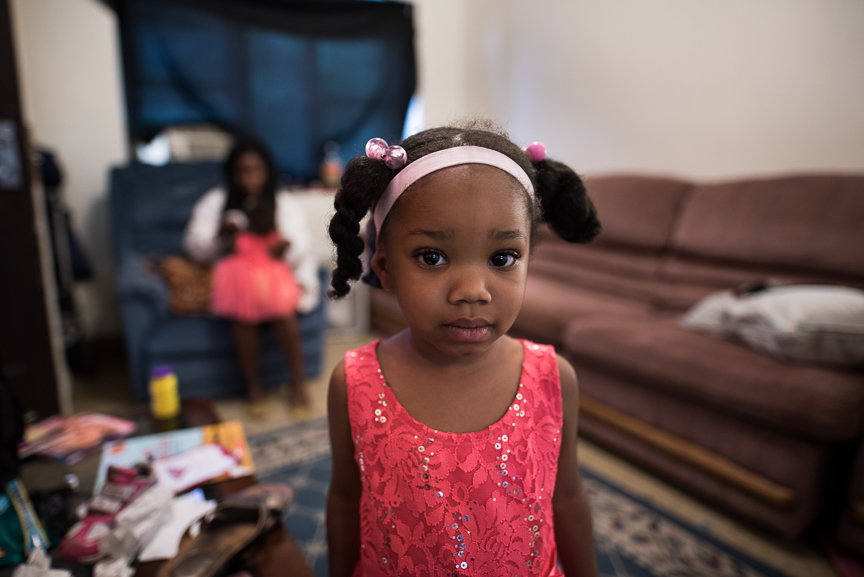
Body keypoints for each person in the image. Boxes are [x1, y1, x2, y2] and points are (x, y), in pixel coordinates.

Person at [326, 122, 601, 577]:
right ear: (386, 267)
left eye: (502, 258)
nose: (472, 291)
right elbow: (344, 499)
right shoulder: (354, 382)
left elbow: (567, 498)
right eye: (431, 256)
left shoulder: (553, 379)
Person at [183, 138, 319, 415]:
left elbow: (300, 245)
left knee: (284, 312)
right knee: (243, 319)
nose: (249, 179)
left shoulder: (283, 202)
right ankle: (253, 388)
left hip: (273, 276)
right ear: (232, 174)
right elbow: (195, 248)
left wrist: (285, 248)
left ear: (267, 170)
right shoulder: (216, 201)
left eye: (256, 170)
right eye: (242, 171)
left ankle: (298, 384)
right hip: (239, 281)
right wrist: (220, 238)